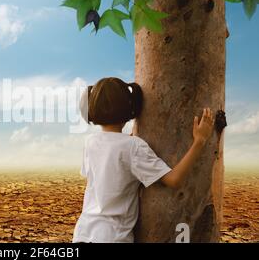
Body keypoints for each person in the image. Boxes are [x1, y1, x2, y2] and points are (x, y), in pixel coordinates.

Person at [72, 77, 215, 243]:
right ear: (130, 108)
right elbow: (174, 180)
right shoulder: (134, 147)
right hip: (113, 238)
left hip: (83, 233)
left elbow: (111, 161)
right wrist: (199, 141)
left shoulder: (90, 142)